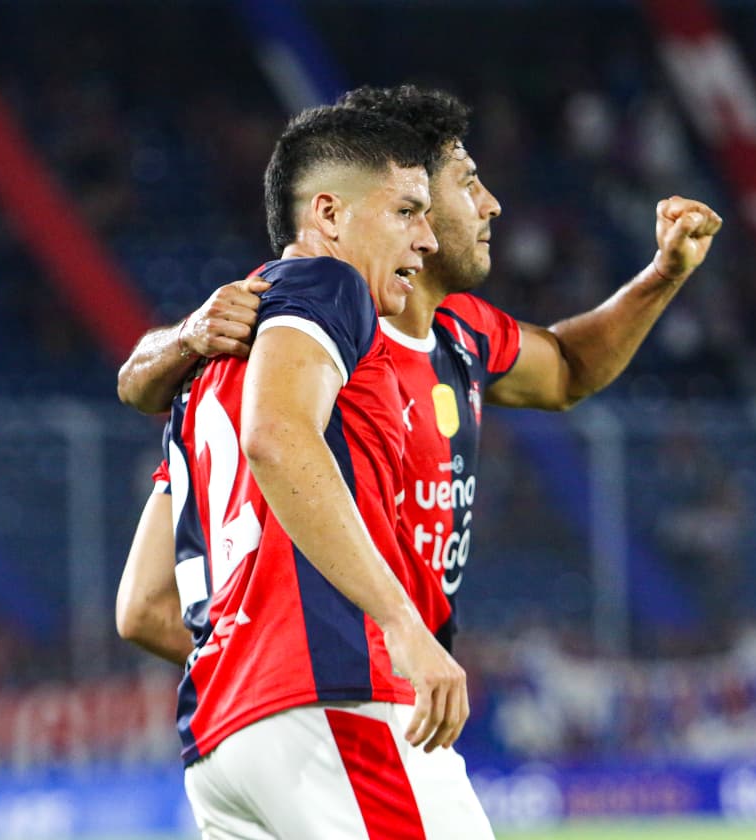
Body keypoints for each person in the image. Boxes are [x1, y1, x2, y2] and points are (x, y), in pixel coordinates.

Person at [117, 85, 722, 659]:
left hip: (381, 689)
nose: (491, 204)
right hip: (345, 695)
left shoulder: (462, 330)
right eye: (468, 183)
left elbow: (566, 369)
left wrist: (662, 275)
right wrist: (314, 671)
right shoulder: (301, 328)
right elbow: (148, 598)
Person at [158, 103, 493, 839]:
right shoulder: (327, 286)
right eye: (406, 212)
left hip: (222, 739)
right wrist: (403, 625)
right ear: (329, 215)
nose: (426, 237)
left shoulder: (202, 369)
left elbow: (140, 607)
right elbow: (276, 437)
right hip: (334, 701)